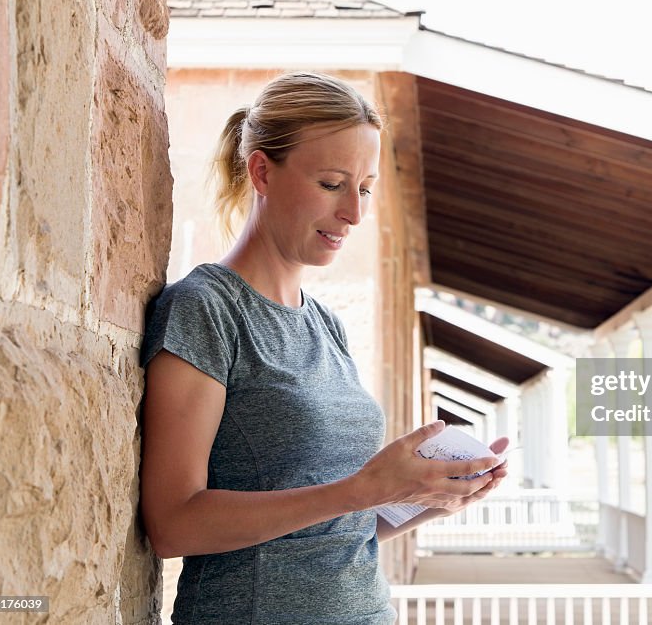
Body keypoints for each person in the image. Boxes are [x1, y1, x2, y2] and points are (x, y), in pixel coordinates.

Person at [139, 72, 508, 624]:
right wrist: (360, 489)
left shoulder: (325, 325)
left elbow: (340, 524)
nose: (354, 214)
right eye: (333, 184)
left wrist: (425, 496)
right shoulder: (207, 309)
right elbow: (173, 524)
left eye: (364, 188)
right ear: (262, 171)